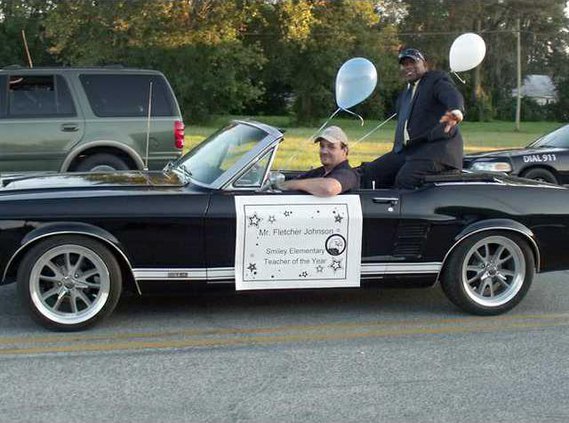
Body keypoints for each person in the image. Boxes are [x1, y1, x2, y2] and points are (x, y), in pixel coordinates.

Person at [360, 47, 465, 189]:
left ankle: (405, 211)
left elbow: (451, 94)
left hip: (436, 151)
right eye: (404, 64)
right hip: (410, 151)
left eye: (413, 62)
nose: (408, 67)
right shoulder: (405, 94)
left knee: (405, 179)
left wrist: (456, 111)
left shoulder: (435, 80)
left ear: (425, 64)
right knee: (371, 172)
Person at [279, 125, 360, 196]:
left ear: (344, 150)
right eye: (322, 146)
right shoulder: (318, 172)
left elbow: (328, 188)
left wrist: (291, 185)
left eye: (331, 147)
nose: (324, 151)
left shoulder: (348, 174)